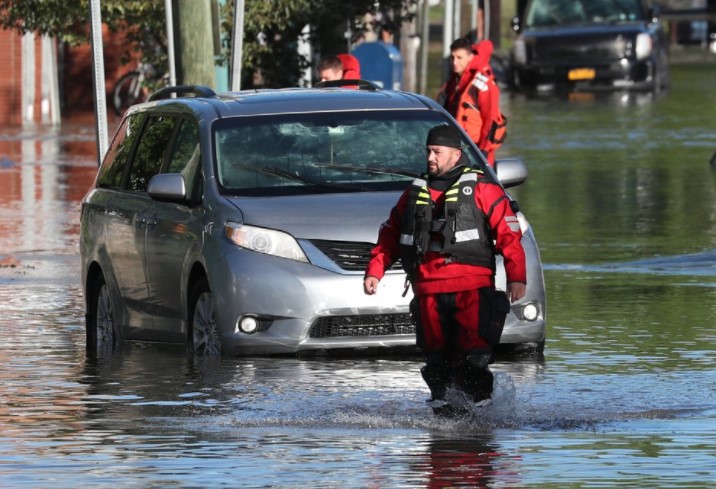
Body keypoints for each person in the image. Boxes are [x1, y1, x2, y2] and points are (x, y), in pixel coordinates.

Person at [363, 124, 526, 416]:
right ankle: (443, 419)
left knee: (474, 357)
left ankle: (484, 424)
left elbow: (509, 235)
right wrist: (375, 270)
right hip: (428, 291)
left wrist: (516, 277)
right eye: (428, 151)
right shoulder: (414, 193)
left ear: (455, 154)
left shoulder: (483, 190)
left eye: (437, 152)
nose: (430, 157)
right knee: (436, 360)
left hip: (471, 290)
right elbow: (390, 234)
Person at [437, 37, 507, 167]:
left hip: (477, 151)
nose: (454, 62)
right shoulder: (456, 80)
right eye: (452, 58)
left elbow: (490, 120)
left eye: (459, 58)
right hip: (456, 149)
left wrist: (484, 151)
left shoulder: (483, 84)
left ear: (470, 57)